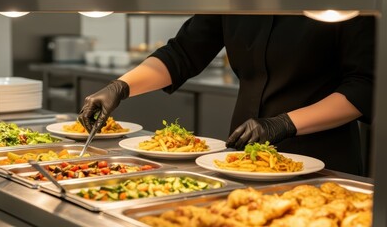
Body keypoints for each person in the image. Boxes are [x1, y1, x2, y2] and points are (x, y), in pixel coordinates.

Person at [78, 14, 375, 176]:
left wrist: (283, 123)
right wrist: (120, 87)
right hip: (243, 157)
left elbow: (364, 86)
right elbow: (183, 52)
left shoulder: (341, 2)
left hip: (322, 160)